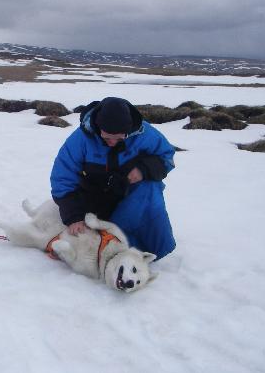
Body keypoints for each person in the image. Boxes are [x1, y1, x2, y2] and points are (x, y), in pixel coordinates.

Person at [50, 96, 176, 260]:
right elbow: (62, 178)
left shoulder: (145, 134)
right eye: (107, 137)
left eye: (119, 139)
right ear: (98, 127)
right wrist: (74, 217)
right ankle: (112, 249)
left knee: (151, 188)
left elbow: (167, 158)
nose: (112, 143)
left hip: (127, 198)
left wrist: (144, 169)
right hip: (93, 201)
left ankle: (146, 251)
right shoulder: (80, 139)